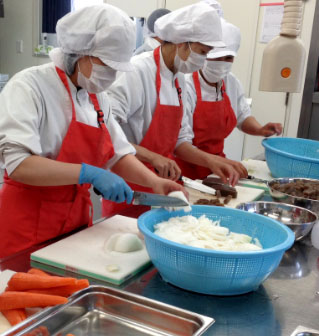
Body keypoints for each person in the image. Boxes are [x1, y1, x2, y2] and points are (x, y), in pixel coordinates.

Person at [0, 5, 183, 261]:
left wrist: (153, 182)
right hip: (27, 229)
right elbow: (18, 165)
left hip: (75, 226)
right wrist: (88, 172)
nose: (112, 77)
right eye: (107, 66)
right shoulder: (29, 87)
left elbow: (117, 154)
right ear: (81, 53)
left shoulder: (96, 97)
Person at [104, 3, 246, 217]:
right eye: (202, 52)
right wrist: (152, 157)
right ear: (182, 43)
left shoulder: (178, 77)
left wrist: (212, 161)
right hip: (130, 186)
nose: (204, 60)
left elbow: (180, 139)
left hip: (163, 184)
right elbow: (107, 132)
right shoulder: (137, 72)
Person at [177, 18, 283, 180]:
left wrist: (260, 129)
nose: (222, 63)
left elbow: (242, 117)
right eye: (216, 57)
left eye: (228, 58)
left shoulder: (230, 82)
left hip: (217, 167)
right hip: (185, 169)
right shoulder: (186, 83)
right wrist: (214, 162)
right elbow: (180, 144)